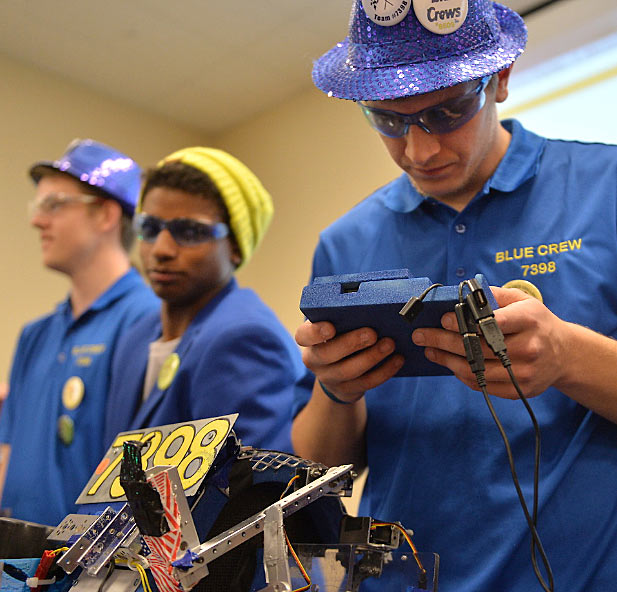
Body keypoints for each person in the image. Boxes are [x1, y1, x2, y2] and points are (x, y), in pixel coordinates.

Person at [292, 1, 617, 590]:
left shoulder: (606, 188)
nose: (419, 151)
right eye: (387, 120)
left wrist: (568, 356)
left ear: (501, 79)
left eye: (445, 112)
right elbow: (318, 472)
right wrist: (336, 391)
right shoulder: (344, 244)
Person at [104, 147, 310, 454]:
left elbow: (250, 494)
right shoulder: (136, 336)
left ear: (235, 247)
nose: (161, 249)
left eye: (188, 231)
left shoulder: (246, 337)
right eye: (149, 228)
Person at [0, 139, 160, 526]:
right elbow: (7, 452)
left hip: (91, 572)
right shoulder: (34, 335)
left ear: (105, 214)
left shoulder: (151, 322)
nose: (37, 221)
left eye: (53, 205)